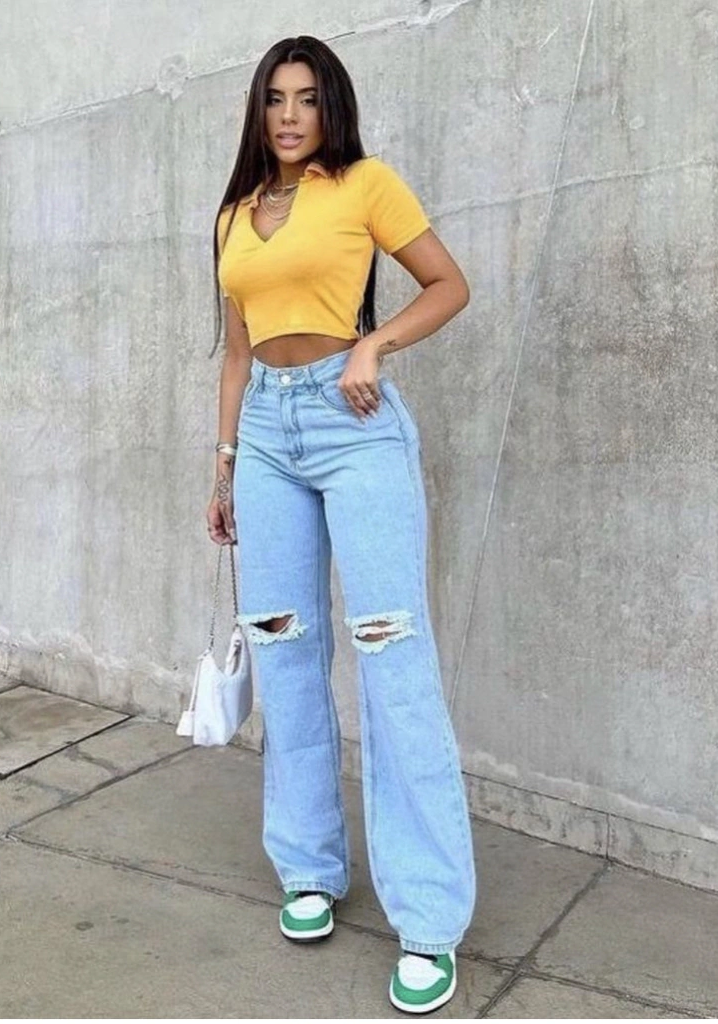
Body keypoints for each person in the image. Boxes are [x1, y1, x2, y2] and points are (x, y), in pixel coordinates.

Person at [206, 35, 476, 1015]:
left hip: (352, 426)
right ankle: (310, 866)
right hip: (266, 441)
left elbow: (448, 285)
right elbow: (237, 351)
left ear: (331, 108)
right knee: (284, 648)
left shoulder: (366, 185)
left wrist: (374, 344)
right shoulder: (235, 214)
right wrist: (224, 461)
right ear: (259, 110)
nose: (290, 115)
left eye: (307, 98)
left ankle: (429, 918)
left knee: (390, 649)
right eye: (276, 98)